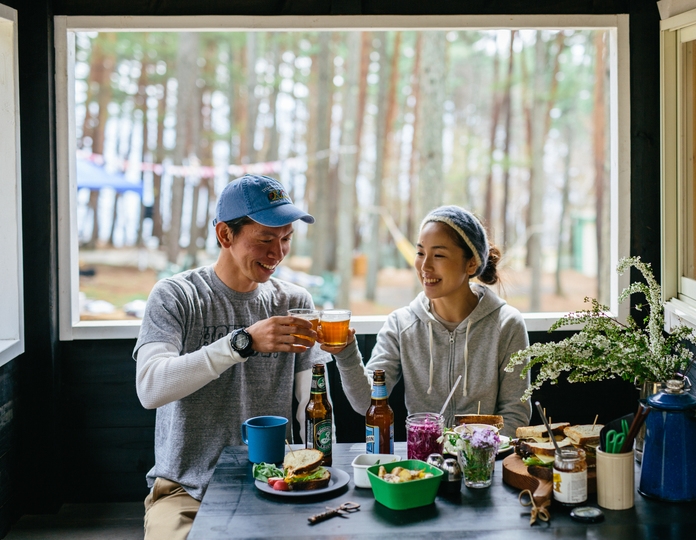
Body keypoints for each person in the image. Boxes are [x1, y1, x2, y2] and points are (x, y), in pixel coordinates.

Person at [133, 174, 330, 540]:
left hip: (276, 482)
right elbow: (150, 387)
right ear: (225, 235)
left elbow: (312, 404)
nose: (278, 253)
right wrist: (242, 343)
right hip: (186, 491)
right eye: (266, 239)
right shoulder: (177, 296)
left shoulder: (295, 302)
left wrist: (312, 468)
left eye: (286, 239)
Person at [324, 205, 531, 437]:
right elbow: (366, 404)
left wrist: (477, 451)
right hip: (421, 466)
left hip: (482, 462)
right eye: (420, 253)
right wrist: (347, 354)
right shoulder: (401, 324)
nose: (425, 267)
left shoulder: (507, 325)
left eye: (439, 255)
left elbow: (515, 413)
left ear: (471, 263)